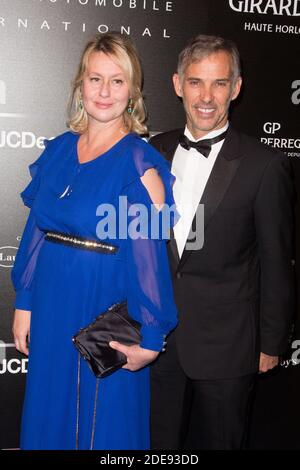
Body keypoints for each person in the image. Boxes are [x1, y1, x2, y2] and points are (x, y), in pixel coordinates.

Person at [11, 32, 177, 450]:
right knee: (50, 411)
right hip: (51, 303)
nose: (105, 91)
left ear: (133, 92)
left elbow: (149, 260)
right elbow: (37, 231)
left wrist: (152, 338)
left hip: (103, 308)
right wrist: (24, 301)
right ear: (79, 86)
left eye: (117, 81)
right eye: (95, 78)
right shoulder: (58, 151)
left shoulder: (140, 164)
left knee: (103, 422)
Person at [150, 34, 295, 450]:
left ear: (236, 87)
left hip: (228, 344)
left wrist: (271, 343)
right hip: (156, 340)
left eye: (219, 83)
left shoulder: (265, 165)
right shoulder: (151, 152)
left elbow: (275, 260)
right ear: (178, 84)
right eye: (196, 82)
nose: (207, 96)